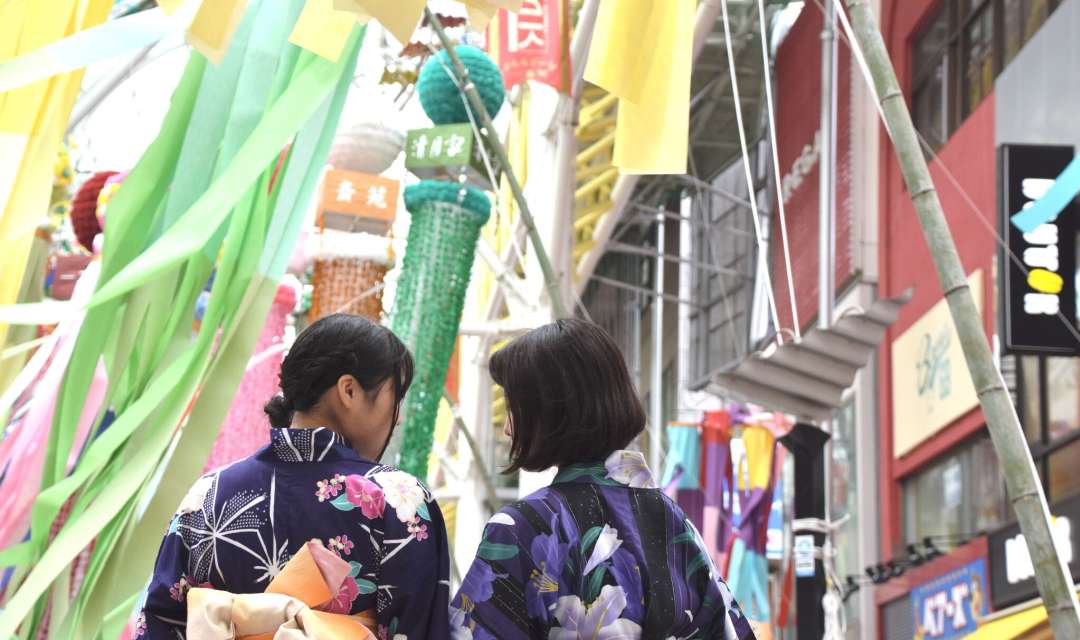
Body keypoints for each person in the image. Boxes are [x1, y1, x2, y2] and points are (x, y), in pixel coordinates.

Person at [138, 314, 450, 639]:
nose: (397, 418)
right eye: (395, 397)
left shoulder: (207, 495)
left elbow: (161, 622)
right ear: (349, 391)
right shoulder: (398, 500)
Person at [451, 318, 757, 640]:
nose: (508, 429)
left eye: (515, 409)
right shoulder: (672, 519)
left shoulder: (524, 528)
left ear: (551, 410)